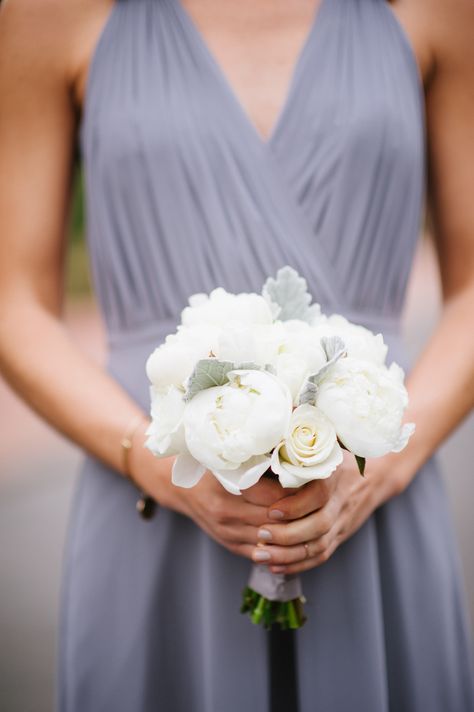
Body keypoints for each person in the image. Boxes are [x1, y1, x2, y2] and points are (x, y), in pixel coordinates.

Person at [0, 0, 473, 710]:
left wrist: (379, 473)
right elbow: (14, 302)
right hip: (148, 508)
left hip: (372, 500)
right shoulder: (53, 12)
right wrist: (161, 467)